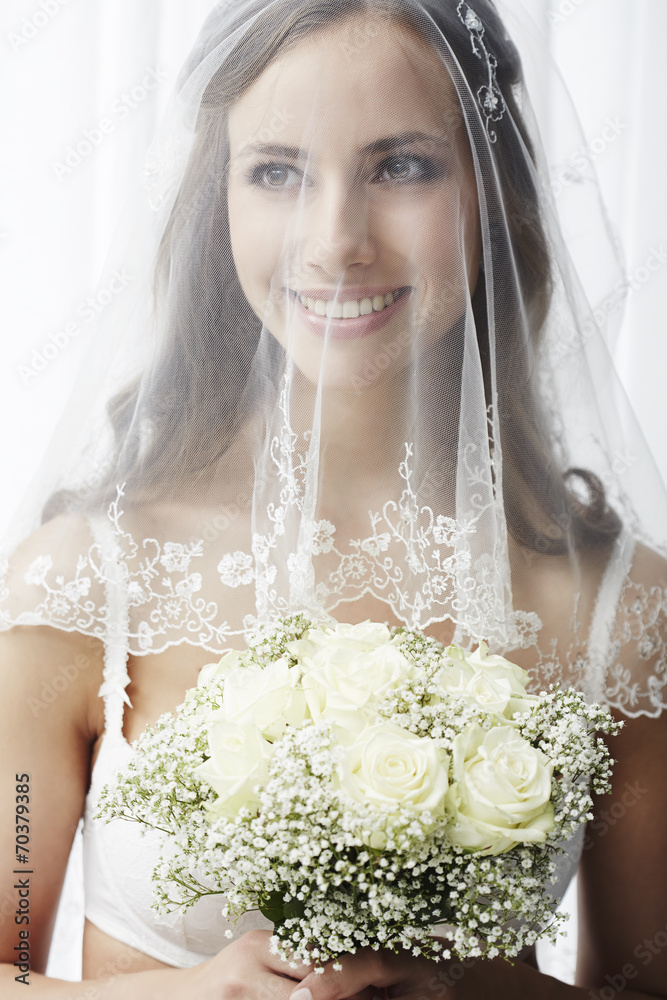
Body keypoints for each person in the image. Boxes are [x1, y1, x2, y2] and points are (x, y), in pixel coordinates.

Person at [1, 0, 666, 996]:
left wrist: (482, 990)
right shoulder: (90, 579)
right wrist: (192, 992)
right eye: (278, 171)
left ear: (492, 193)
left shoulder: (616, 609)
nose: (334, 242)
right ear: (215, 199)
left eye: (401, 165)